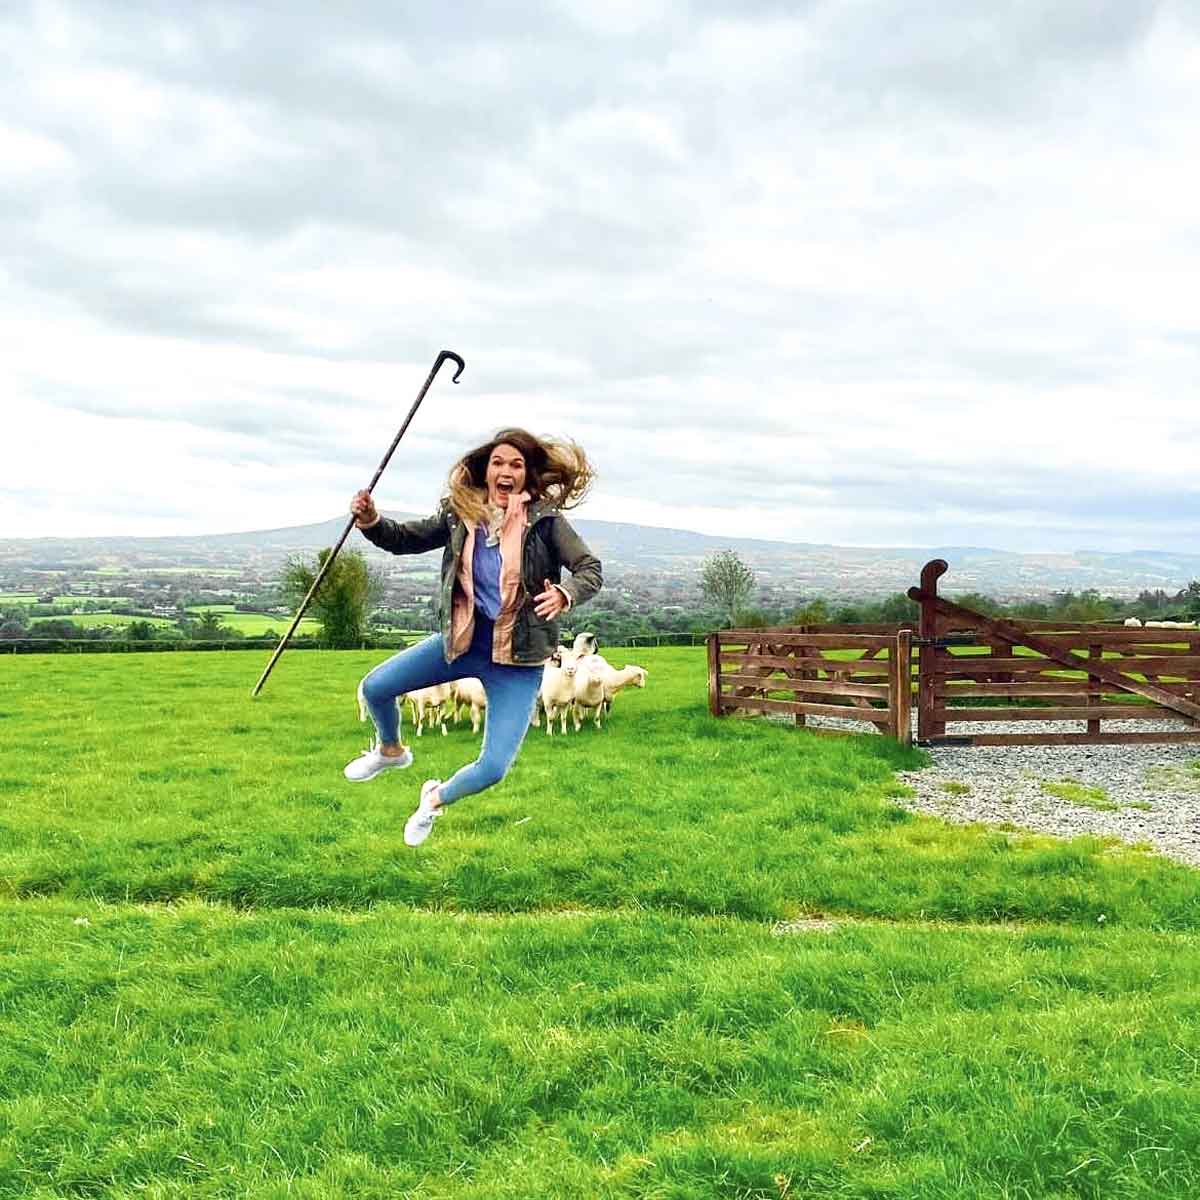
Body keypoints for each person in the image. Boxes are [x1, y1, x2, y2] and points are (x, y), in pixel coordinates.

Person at [345, 428, 602, 846]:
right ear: (485, 470)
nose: (506, 471)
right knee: (375, 688)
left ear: (527, 474)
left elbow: (590, 569)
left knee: (493, 768)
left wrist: (564, 593)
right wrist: (371, 521)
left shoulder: (547, 523)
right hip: (464, 641)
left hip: (518, 661)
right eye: (498, 463)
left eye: (516, 465)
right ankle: (391, 751)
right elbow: (404, 540)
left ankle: (433, 799)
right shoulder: (459, 514)